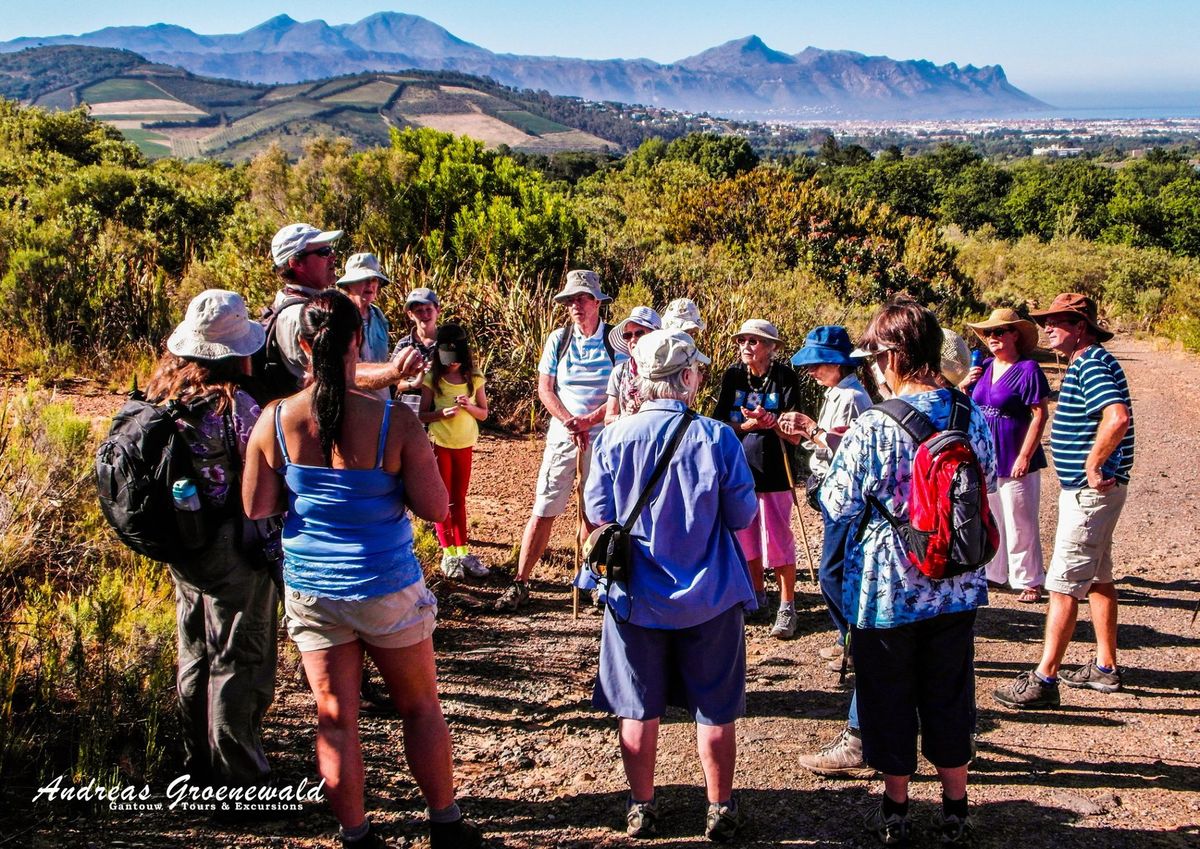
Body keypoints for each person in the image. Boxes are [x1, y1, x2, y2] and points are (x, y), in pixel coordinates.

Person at [242, 291, 481, 849]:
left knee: (335, 719)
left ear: (302, 346)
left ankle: (356, 835)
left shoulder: (276, 420)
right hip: (386, 584)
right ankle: (444, 824)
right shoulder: (393, 421)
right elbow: (435, 508)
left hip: (314, 589)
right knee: (420, 708)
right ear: (359, 345)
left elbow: (257, 506)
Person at [820, 300, 996, 845]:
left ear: (894, 356)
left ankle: (896, 809)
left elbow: (840, 504)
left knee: (889, 696)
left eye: (873, 356)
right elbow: (985, 474)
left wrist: (819, 469)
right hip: (957, 584)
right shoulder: (970, 414)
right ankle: (955, 807)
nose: (871, 367)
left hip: (887, 589)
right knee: (949, 694)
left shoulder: (874, 425)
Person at [585, 329, 757, 842]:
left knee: (638, 707)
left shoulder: (612, 437)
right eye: (697, 370)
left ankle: (642, 807)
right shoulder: (718, 437)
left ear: (638, 377)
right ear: (685, 377)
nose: (700, 376)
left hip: (636, 596)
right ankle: (719, 808)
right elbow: (742, 514)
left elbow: (598, 516)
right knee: (715, 707)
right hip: (711, 594)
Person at [145, 290, 278, 795]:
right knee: (239, 659)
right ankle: (240, 778)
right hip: (232, 543)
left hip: (185, 540)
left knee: (196, 649)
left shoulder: (167, 394)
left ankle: (196, 763)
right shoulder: (233, 404)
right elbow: (264, 472)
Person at [993, 293, 1134, 710]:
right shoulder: (1087, 361)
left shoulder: (1091, 363)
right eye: (1048, 320)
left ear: (1081, 327)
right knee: (1097, 578)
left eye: (1058, 321)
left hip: (1091, 492)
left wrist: (1094, 462)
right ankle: (1105, 667)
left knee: (1062, 584)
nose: (1049, 327)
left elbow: (1117, 417)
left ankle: (1044, 677)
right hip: (1095, 491)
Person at [496, 269, 623, 612]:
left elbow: (622, 391)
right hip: (563, 434)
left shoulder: (616, 341)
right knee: (544, 507)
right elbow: (545, 388)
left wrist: (589, 421)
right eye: (571, 300)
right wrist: (570, 421)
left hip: (602, 436)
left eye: (582, 299)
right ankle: (521, 581)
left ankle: (594, 581)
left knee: (594, 512)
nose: (576, 306)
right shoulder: (559, 339)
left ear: (598, 302)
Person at [778, 326, 873, 778]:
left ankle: (850, 638)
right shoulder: (840, 392)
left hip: (844, 492)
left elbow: (851, 449)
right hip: (829, 486)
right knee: (833, 572)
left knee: (834, 573)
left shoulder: (853, 397)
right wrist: (805, 433)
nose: (813, 371)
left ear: (840, 362)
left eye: (819, 362)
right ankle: (847, 639)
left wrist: (812, 430)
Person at [712, 319, 802, 638]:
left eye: (754, 341)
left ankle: (787, 606)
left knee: (778, 539)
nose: (746, 346)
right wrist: (745, 427)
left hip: (777, 470)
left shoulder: (785, 377)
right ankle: (756, 596)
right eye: (742, 340)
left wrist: (771, 422)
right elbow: (721, 422)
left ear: (771, 347)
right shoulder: (734, 376)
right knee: (746, 537)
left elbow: (796, 431)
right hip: (741, 469)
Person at [962, 308, 1050, 603]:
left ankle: (1029, 579)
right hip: (986, 456)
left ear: (1015, 334)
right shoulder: (984, 366)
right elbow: (967, 407)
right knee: (991, 517)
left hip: (1015, 453)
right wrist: (963, 384)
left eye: (999, 332)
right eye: (988, 333)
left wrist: (1025, 455)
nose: (992, 338)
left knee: (1020, 519)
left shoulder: (1028, 370)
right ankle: (995, 573)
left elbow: (1039, 415)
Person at [420, 323, 490, 579]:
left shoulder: (474, 377)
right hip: (440, 443)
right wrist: (441, 414)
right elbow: (421, 413)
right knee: (442, 499)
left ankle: (462, 551)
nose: (452, 365)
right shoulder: (433, 379)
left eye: (456, 360)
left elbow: (483, 413)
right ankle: (447, 552)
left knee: (459, 499)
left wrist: (468, 407)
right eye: (447, 360)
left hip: (464, 444)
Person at [335, 253, 393, 401]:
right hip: (353, 404)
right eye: (363, 279)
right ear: (348, 284)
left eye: (374, 279)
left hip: (382, 402)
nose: (370, 284)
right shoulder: (338, 317)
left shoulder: (380, 317)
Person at [604, 306, 662, 424]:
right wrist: (625, 416)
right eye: (628, 335)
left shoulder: (665, 371)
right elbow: (608, 419)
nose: (633, 339)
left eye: (639, 333)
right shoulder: (619, 372)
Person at [391, 286, 442, 400]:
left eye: (429, 309)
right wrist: (415, 383)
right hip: (408, 410)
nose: (424, 315)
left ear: (438, 310)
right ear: (410, 315)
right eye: (419, 311)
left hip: (441, 411)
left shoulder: (448, 342)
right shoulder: (404, 344)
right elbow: (393, 381)